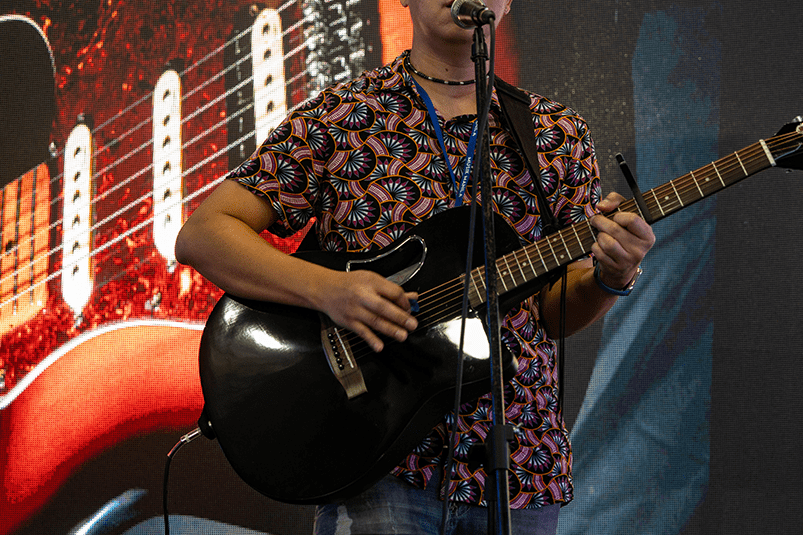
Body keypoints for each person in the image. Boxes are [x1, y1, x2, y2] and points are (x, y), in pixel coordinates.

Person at [174, 0, 655, 533]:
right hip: (379, 461)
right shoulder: (345, 115)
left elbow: (553, 315)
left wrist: (612, 278)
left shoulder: (555, 133)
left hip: (519, 465)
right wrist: (329, 289)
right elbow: (204, 234)